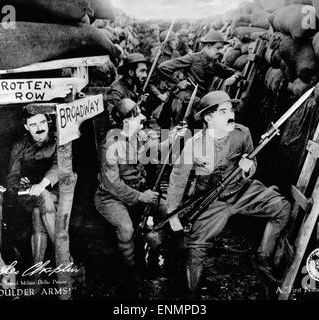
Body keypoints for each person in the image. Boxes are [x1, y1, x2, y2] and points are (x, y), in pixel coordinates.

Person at [165, 91, 292, 298]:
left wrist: (248, 167)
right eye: (223, 111)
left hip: (242, 190)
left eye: (231, 110)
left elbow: (253, 163)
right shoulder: (194, 145)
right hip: (211, 200)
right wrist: (172, 214)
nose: (230, 115)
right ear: (208, 117)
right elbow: (178, 179)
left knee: (282, 208)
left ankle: (261, 258)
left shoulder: (242, 133)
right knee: (196, 249)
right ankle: (192, 297)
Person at [94, 98, 187, 295]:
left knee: (170, 212)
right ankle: (130, 271)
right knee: (126, 229)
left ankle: (169, 261)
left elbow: (156, 151)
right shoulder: (110, 145)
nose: (143, 117)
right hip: (111, 197)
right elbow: (111, 183)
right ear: (125, 122)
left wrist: (173, 137)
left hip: (141, 191)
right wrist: (140, 197)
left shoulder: (138, 135)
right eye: (137, 114)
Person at [157, 30, 243, 128]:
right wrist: (177, 83)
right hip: (185, 103)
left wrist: (234, 77)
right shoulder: (192, 58)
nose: (220, 51)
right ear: (208, 46)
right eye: (218, 48)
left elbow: (236, 72)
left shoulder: (215, 64)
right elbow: (163, 67)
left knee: (196, 135)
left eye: (222, 48)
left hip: (200, 105)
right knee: (180, 134)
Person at [6, 107, 58, 270]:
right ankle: (63, 255)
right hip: (28, 192)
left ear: (48, 123)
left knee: (39, 209)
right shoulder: (19, 146)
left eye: (42, 122)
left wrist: (42, 184)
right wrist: (19, 182)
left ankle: (37, 271)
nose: (39, 128)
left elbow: (58, 167)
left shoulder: (58, 140)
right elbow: (11, 178)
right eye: (33, 124)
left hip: (54, 189)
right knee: (40, 199)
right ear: (26, 127)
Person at [106, 53, 149, 122]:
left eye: (146, 71)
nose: (145, 75)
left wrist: (139, 103)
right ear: (131, 72)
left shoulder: (134, 85)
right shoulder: (117, 90)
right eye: (142, 71)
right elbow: (112, 119)